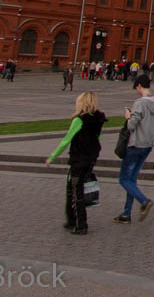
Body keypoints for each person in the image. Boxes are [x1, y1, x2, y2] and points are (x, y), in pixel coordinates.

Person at [46, 91, 106, 235]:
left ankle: (81, 224)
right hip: (90, 158)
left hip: (79, 160)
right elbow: (97, 137)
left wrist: (52, 156)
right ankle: (71, 219)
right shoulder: (98, 119)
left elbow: (66, 140)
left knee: (76, 191)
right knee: (71, 188)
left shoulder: (79, 120)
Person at [114, 73, 154, 224]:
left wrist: (128, 116)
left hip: (136, 145)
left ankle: (144, 201)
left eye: (136, 87)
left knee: (124, 179)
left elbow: (131, 126)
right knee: (132, 179)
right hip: (148, 145)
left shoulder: (140, 103)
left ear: (139, 86)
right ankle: (126, 214)